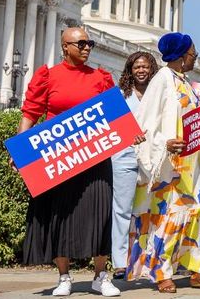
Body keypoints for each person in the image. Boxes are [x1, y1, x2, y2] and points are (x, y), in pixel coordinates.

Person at [16, 26, 120, 297]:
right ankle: (64, 277)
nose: (87, 48)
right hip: (58, 157)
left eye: (90, 44)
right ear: (65, 46)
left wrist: (130, 132)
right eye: (81, 44)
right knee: (59, 216)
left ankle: (101, 276)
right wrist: (20, 151)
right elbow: (30, 113)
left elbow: (114, 115)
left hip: (95, 158)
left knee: (100, 215)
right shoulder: (48, 76)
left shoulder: (101, 77)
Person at [126, 32, 200, 293]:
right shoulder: (162, 80)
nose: (195, 57)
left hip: (192, 164)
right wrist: (164, 144)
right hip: (169, 165)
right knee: (167, 217)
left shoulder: (185, 82)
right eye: (193, 53)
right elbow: (145, 124)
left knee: (199, 213)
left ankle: (199, 270)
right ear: (181, 56)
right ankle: (162, 272)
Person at [111, 51, 158, 280]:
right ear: (130, 70)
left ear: (152, 70)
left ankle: (151, 259)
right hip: (125, 157)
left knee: (152, 210)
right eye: (137, 67)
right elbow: (110, 127)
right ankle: (120, 262)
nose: (141, 70)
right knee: (121, 210)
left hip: (152, 158)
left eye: (145, 67)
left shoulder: (158, 95)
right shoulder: (119, 96)